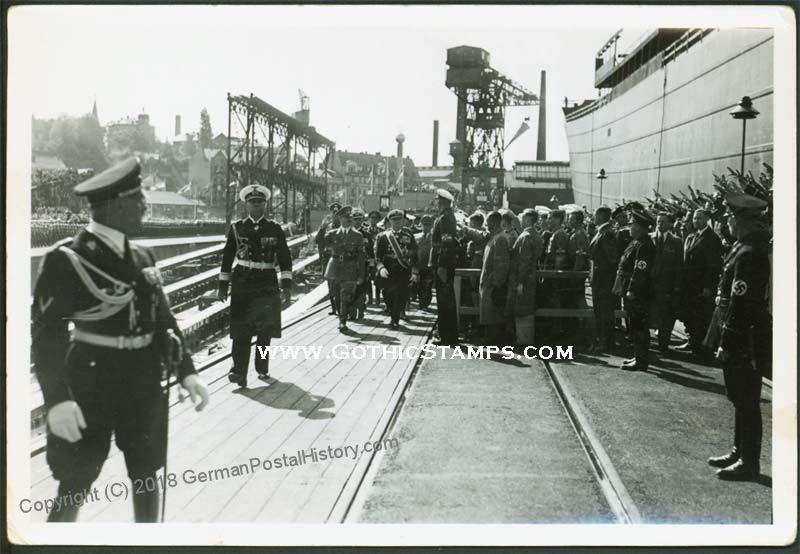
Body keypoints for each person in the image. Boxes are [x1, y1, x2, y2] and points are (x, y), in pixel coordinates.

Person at [32, 157, 210, 522]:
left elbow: (163, 320)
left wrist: (187, 372)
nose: (145, 207)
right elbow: (47, 336)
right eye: (139, 198)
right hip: (90, 383)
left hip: (144, 382)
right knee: (75, 482)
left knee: (147, 476)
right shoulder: (67, 258)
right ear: (116, 205)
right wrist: (57, 400)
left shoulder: (142, 255)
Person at [704, 193, 770, 481]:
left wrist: (727, 341)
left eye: (730, 217)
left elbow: (741, 303)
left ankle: (749, 461)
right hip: (738, 332)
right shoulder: (741, 248)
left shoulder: (749, 253)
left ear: (742, 220)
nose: (726, 221)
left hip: (745, 337)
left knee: (746, 398)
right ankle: (738, 450)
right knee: (738, 396)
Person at [218, 184, 293, 387]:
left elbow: (285, 258)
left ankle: (262, 366)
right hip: (243, 281)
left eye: (260, 202)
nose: (256, 205)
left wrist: (286, 285)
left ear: (265, 204)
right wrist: (222, 286)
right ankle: (238, 371)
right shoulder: (237, 228)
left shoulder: (275, 229)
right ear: (246, 205)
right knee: (241, 328)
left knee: (264, 330)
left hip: (266, 281)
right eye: (252, 202)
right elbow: (227, 258)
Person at [612, 208, 656, 371]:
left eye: (633, 225)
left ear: (640, 227)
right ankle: (638, 356)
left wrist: (632, 290)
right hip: (632, 292)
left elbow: (640, 271)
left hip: (638, 293)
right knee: (635, 325)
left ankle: (641, 360)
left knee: (639, 326)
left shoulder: (644, 245)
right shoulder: (636, 242)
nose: (630, 227)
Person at [677, 208, 722, 357]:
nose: (696, 221)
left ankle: (699, 347)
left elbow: (713, 266)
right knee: (689, 313)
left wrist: (708, 286)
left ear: (707, 219)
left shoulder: (712, 239)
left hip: (701, 284)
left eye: (700, 218)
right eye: (695, 218)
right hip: (689, 283)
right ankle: (691, 340)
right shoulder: (691, 236)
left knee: (700, 315)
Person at [375, 209, 420, 329]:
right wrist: (381, 268)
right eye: (394, 220)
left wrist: (415, 272)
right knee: (388, 294)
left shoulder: (408, 234)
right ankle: (391, 311)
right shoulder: (383, 236)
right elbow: (378, 256)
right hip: (388, 270)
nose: (397, 222)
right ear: (390, 221)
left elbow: (415, 254)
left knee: (401, 295)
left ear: (403, 220)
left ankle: (395, 319)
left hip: (403, 270)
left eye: (399, 220)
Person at [323, 206, 366, 332]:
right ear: (339, 219)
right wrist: (322, 228)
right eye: (345, 217)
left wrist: (361, 275)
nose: (348, 220)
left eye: (350, 217)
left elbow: (361, 257)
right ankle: (345, 312)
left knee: (345, 295)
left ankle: (342, 322)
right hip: (335, 267)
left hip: (350, 267)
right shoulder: (332, 233)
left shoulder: (358, 236)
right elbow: (319, 241)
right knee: (335, 294)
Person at [505, 209, 543, 348]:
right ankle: (525, 339)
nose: (520, 219)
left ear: (527, 219)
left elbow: (524, 262)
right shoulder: (534, 235)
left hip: (523, 279)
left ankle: (524, 341)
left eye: (522, 217)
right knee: (526, 308)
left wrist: (520, 282)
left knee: (522, 309)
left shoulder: (526, 236)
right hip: (530, 277)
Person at [649, 212, 683, 353]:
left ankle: (663, 345)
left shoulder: (676, 242)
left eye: (663, 222)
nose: (660, 224)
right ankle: (647, 345)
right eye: (658, 221)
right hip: (650, 285)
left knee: (666, 316)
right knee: (650, 314)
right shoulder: (649, 239)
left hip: (666, 286)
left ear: (670, 224)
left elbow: (679, 266)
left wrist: (676, 287)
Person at [430, 189, 460, 345]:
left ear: (442, 202)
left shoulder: (445, 218)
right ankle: (447, 334)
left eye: (438, 201)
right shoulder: (447, 217)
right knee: (445, 299)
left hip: (443, 264)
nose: (436, 203)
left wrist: (441, 265)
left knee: (445, 300)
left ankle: (447, 336)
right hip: (443, 263)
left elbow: (446, 243)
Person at [589, 206, 619, 353]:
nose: (594, 218)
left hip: (604, 282)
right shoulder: (602, 232)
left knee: (604, 313)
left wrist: (602, 275)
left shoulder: (606, 234)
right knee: (601, 312)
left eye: (595, 215)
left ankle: (605, 342)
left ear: (601, 216)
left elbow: (612, 259)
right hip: (599, 280)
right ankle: (603, 341)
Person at [479, 211, 511, 345]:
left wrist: (496, 285)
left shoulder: (500, 239)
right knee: (488, 317)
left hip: (492, 288)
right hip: (488, 286)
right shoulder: (494, 238)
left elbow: (501, 265)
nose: (486, 225)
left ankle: (493, 343)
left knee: (493, 319)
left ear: (495, 222)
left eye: (488, 222)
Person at [316, 202, 341, 315]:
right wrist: (322, 228)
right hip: (328, 259)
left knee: (339, 284)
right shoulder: (327, 226)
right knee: (330, 284)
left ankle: (341, 307)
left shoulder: (343, 227)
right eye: (333, 212)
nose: (335, 215)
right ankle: (334, 308)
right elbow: (318, 240)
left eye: (337, 213)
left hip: (340, 259)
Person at [350, 208, 374, 320]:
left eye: (359, 219)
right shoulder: (348, 233)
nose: (357, 222)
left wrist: (372, 267)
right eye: (355, 219)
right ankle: (352, 310)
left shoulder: (367, 234)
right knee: (351, 288)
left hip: (363, 266)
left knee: (362, 288)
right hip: (350, 265)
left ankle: (361, 308)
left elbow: (371, 252)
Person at [416, 214, 435, 310]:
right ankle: (421, 303)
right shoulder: (416, 237)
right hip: (419, 266)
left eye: (428, 225)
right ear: (421, 225)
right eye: (424, 224)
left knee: (427, 286)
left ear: (431, 226)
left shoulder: (434, 238)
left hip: (429, 267)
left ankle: (425, 304)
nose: (426, 227)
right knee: (419, 286)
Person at [365, 210, 383, 305]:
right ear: (369, 219)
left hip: (377, 258)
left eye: (375, 218)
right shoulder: (365, 231)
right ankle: (370, 298)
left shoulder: (381, 231)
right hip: (368, 258)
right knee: (368, 279)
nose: (373, 220)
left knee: (378, 279)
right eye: (372, 218)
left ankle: (378, 298)